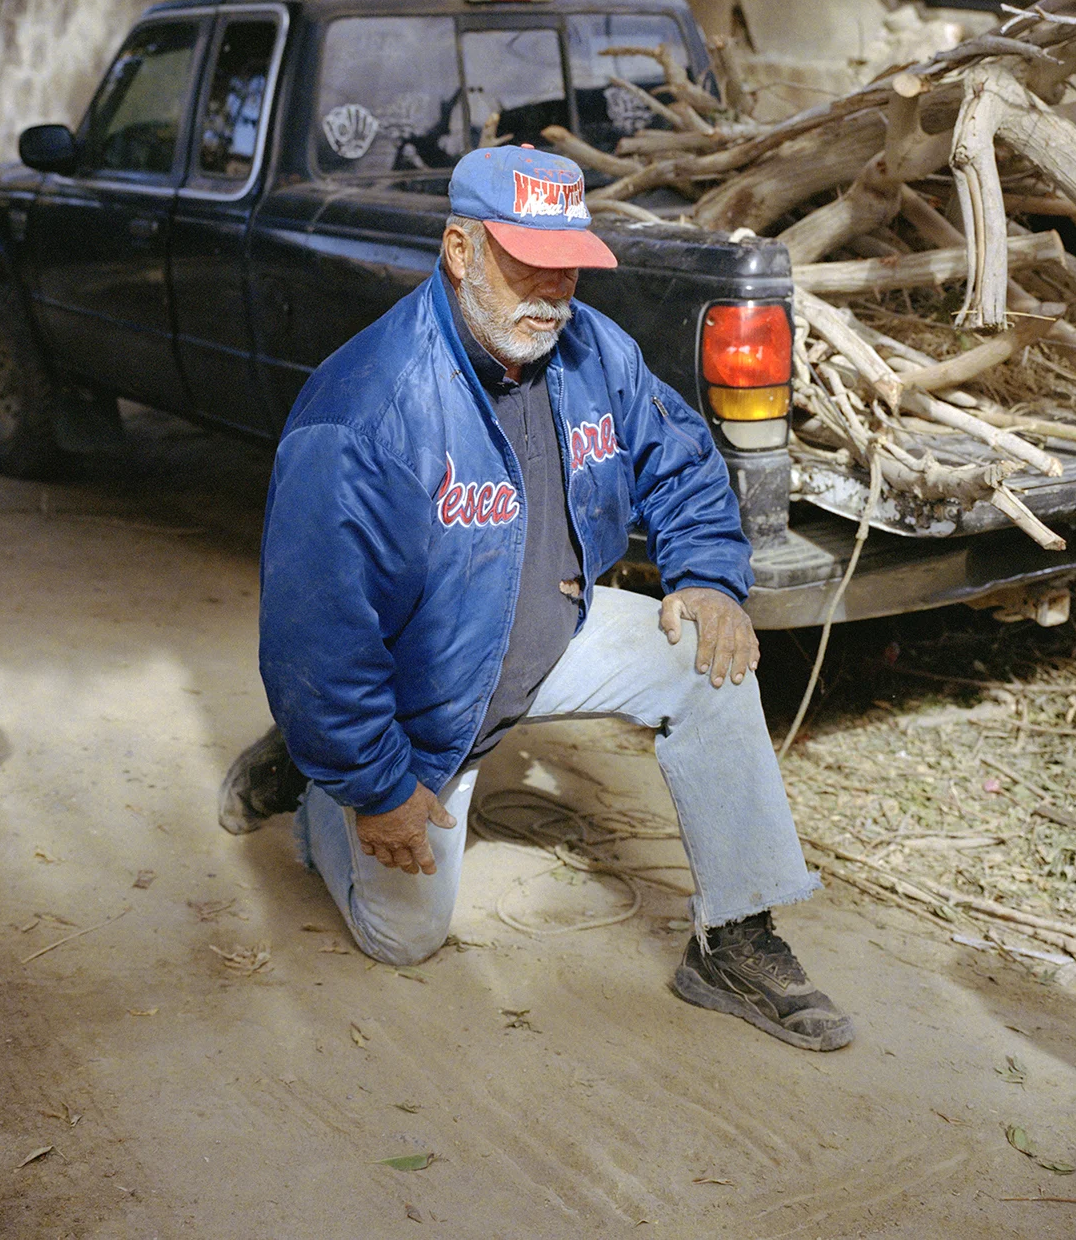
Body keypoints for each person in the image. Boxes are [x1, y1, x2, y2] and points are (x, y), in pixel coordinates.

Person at [223, 143, 853, 1052]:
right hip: (426, 694)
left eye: (569, 267)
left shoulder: (591, 349)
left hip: (553, 631)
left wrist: (708, 577)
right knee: (405, 939)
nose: (553, 293)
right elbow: (316, 638)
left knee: (709, 659)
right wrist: (375, 787)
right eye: (529, 263)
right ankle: (320, 781)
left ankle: (736, 938)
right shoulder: (367, 412)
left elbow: (678, 457)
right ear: (459, 250)